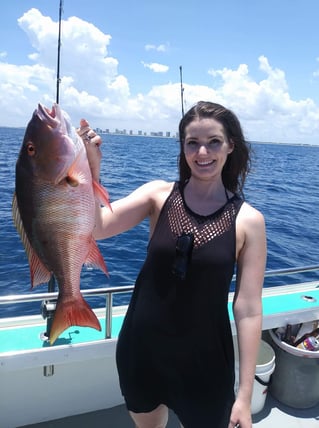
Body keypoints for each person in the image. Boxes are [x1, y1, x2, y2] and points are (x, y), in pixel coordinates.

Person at [78, 101, 267, 428]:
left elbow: (248, 308)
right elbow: (97, 228)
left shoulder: (250, 221)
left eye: (214, 142)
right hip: (143, 350)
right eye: (192, 143)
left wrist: (245, 395)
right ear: (182, 147)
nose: (202, 152)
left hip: (205, 362)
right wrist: (93, 168)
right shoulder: (158, 195)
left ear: (231, 146)